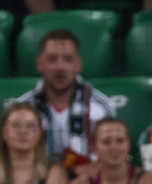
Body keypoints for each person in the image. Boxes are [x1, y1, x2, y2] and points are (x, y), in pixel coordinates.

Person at [15, 28, 117, 169]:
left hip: (87, 180)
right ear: (39, 64)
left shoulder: (102, 107)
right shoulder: (21, 108)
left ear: (78, 65)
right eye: (52, 59)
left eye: (68, 59)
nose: (60, 67)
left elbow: (112, 159)